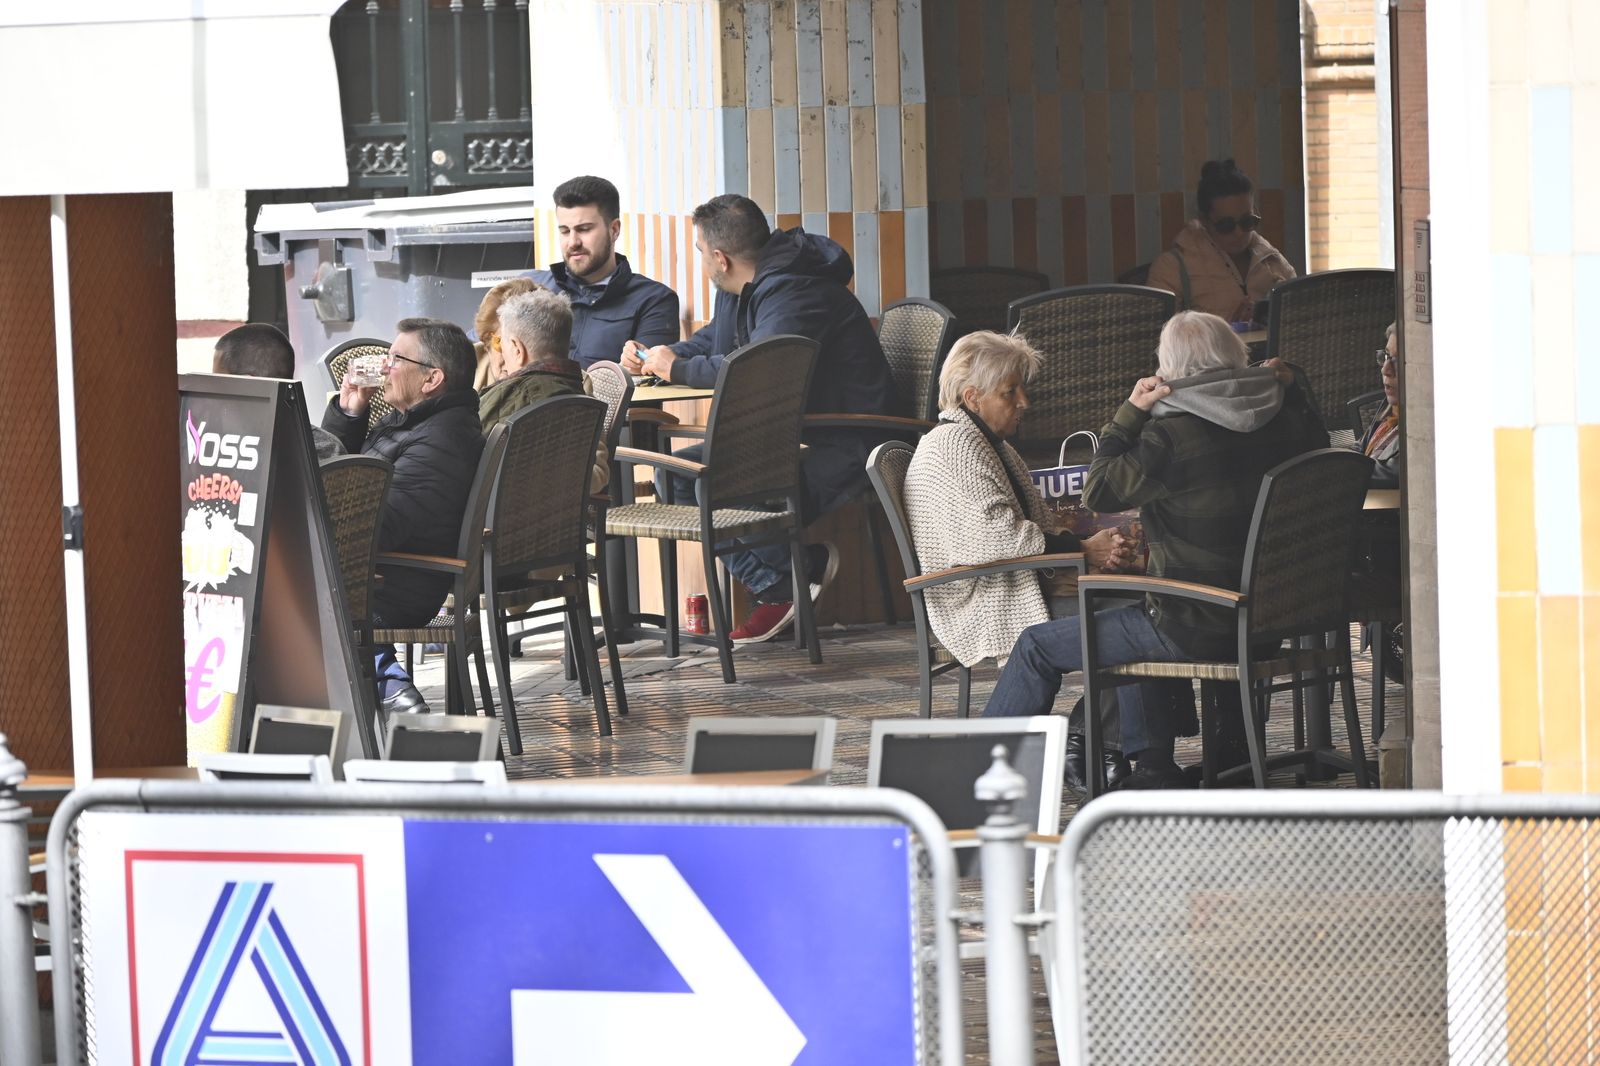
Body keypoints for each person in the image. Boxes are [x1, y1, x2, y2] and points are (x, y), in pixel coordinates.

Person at [982, 311, 1328, 790]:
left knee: (1038, 645)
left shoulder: (1171, 437)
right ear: (1237, 357)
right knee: (1137, 610)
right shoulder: (1286, 423)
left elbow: (1099, 491)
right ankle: (1168, 767)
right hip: (1274, 621)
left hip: (1198, 624)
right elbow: (1321, 442)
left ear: (1170, 373)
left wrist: (1131, 411)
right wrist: (1293, 385)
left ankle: (979, 777)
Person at [623, 194, 904, 643]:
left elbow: (759, 368)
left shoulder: (795, 291)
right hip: (794, 433)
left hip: (844, 440)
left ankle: (783, 584)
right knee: (675, 476)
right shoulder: (747, 287)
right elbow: (717, 342)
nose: (702, 263)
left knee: (705, 479)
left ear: (721, 258)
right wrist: (665, 355)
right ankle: (791, 574)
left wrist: (677, 370)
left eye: (700, 253)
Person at [903, 331, 1139, 789]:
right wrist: (1082, 550)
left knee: (1135, 605)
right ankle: (1093, 743)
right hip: (982, 595)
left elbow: (1032, 529)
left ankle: (1094, 742)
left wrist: (1091, 547)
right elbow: (996, 538)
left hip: (1015, 578)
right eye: (1009, 392)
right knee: (1130, 619)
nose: (1023, 402)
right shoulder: (955, 446)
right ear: (972, 397)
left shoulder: (989, 443)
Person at [323, 318, 485, 717]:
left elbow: (378, 526)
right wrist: (349, 413)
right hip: (377, 570)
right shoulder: (413, 420)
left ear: (432, 379)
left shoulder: (441, 439)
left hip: (396, 583)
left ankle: (390, 689)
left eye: (396, 359)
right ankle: (387, 684)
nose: (384, 367)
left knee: (285, 589)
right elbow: (352, 482)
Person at [525, 175, 680, 369]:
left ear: (614, 229)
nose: (573, 242)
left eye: (584, 229)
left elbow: (648, 376)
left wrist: (636, 363)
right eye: (565, 231)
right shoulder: (531, 287)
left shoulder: (653, 300)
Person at [478, 288, 609, 493]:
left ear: (517, 348)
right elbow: (595, 472)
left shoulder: (503, 400)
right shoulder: (582, 397)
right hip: (563, 510)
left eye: (501, 343)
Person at [1146, 159, 1296, 323]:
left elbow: (1302, 320)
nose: (1239, 233)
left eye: (1247, 222)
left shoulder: (1272, 260)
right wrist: (1227, 329)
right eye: (1226, 225)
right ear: (1204, 221)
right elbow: (1159, 335)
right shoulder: (1172, 269)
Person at [211, 323, 344, 460]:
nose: (213, 391)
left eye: (220, 382)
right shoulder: (327, 448)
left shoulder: (216, 445)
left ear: (248, 386)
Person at [471, 276, 539, 391]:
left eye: (525, 344)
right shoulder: (463, 369)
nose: (516, 354)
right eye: (502, 343)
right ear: (487, 345)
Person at [1361, 322, 1400, 486]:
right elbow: (1360, 447)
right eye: (1386, 356)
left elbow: (1391, 474)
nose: (1385, 369)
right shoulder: (1392, 408)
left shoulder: (1422, 435)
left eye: (1399, 360)